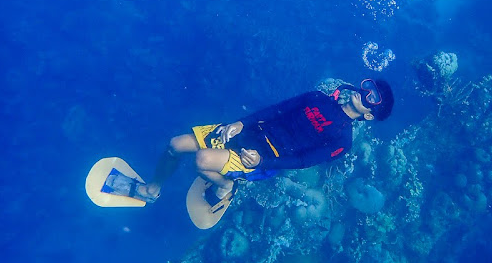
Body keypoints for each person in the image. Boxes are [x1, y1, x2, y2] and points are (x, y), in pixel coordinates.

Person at [137, 79, 394, 206]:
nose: (364, 94)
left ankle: (225, 184)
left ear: (369, 115)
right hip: (249, 131)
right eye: (367, 88)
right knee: (175, 144)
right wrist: (240, 123)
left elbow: (303, 161)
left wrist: (263, 160)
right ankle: (152, 189)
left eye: (372, 98)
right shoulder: (317, 97)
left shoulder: (342, 140)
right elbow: (277, 110)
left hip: (264, 157)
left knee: (202, 160)